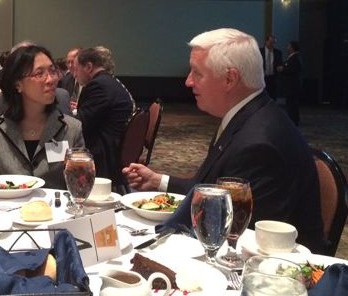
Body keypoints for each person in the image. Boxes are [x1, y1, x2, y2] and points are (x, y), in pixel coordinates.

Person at [122, 28, 325, 253]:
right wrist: (158, 181)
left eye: (197, 73)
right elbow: (211, 190)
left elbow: (236, 237)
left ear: (229, 79)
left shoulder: (258, 145)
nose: (188, 82)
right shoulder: (248, 116)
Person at [0, 45, 84, 190]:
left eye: (53, 71)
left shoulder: (71, 128)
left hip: (55, 210)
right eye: (39, 74)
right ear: (18, 84)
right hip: (7, 209)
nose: (51, 79)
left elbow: (80, 183)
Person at [73, 47, 133, 190]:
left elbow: (81, 125)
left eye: (76, 69)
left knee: (58, 147)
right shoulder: (109, 81)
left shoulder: (98, 85)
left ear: (88, 67)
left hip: (104, 152)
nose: (74, 75)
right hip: (113, 145)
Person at [278, 41, 302, 126]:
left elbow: (294, 69)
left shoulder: (295, 58)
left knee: (292, 104)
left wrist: (283, 69)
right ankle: (294, 119)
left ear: (292, 48)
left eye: (288, 46)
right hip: (291, 86)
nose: (287, 48)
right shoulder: (292, 57)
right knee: (291, 103)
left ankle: (293, 120)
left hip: (292, 86)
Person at [260, 35, 283, 99]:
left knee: (273, 95)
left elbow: (280, 64)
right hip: (263, 78)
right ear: (266, 41)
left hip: (274, 77)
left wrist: (280, 67)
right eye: (271, 42)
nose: (272, 44)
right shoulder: (259, 51)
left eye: (273, 42)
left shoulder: (278, 52)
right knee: (263, 96)